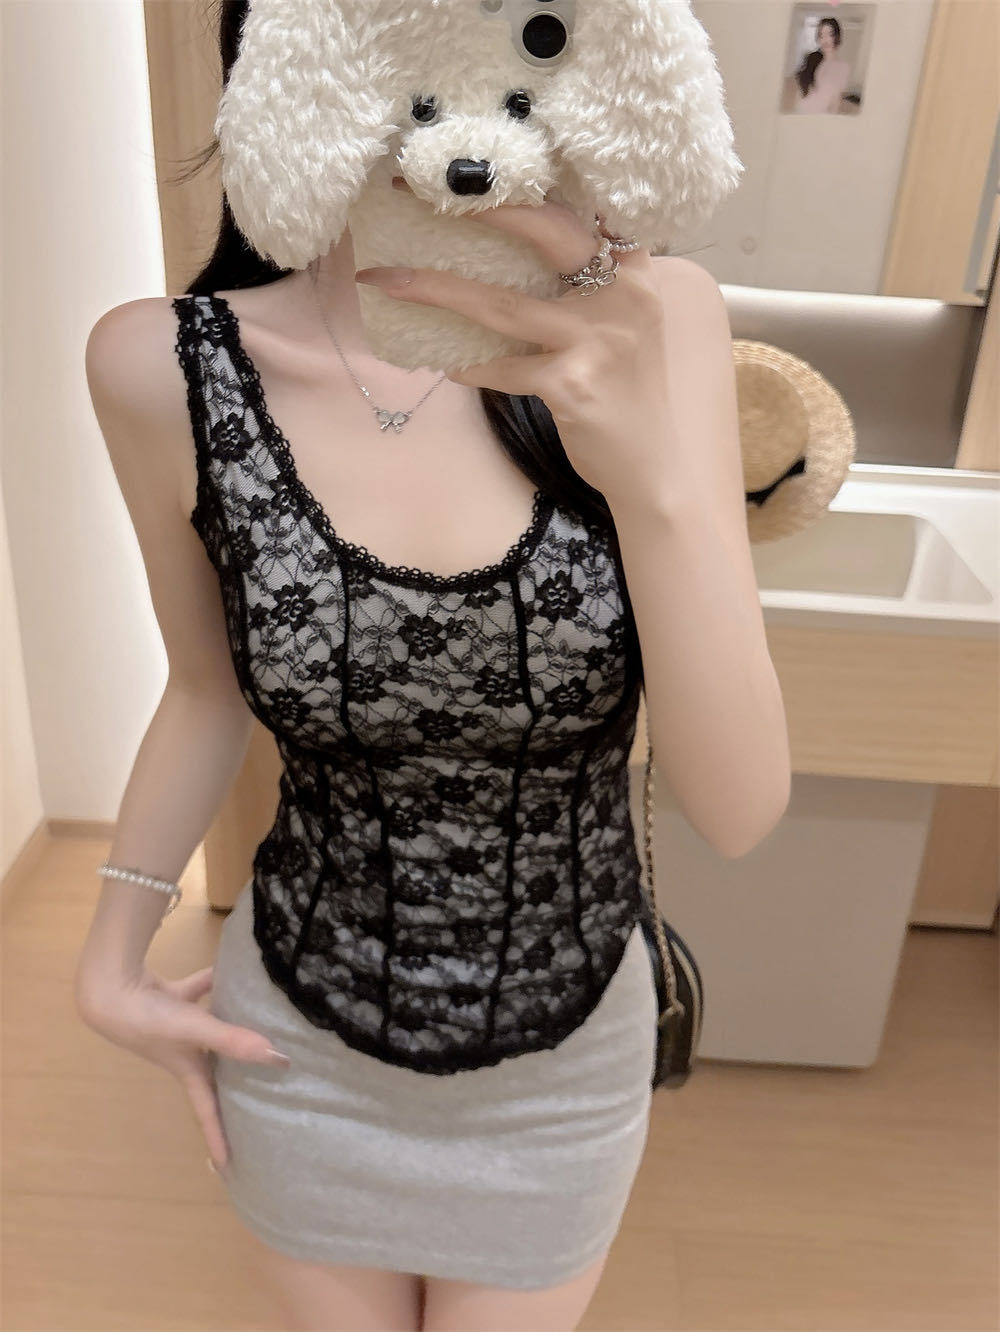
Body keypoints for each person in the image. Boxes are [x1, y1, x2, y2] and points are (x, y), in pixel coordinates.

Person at [74, 4, 789, 1330]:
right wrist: (112, 956)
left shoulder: (659, 320)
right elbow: (206, 688)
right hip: (297, 1038)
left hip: (566, 1061)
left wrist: (658, 488)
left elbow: (739, 809)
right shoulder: (162, 364)